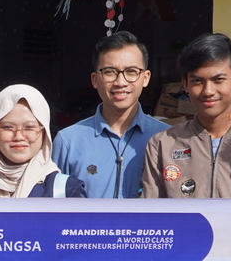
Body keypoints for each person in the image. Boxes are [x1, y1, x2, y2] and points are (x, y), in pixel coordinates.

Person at [140, 33, 231, 199]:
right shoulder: (163, 144)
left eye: (218, 80)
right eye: (197, 81)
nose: (208, 91)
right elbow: (152, 209)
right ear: (185, 83)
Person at [52, 32, 166, 198]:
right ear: (94, 79)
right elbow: (54, 205)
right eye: (109, 72)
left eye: (131, 71)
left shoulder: (165, 138)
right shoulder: (69, 141)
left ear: (146, 78)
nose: (120, 82)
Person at [0, 85, 87, 198]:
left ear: (44, 132)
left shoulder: (66, 190)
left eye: (29, 127)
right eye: (8, 127)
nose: (18, 136)